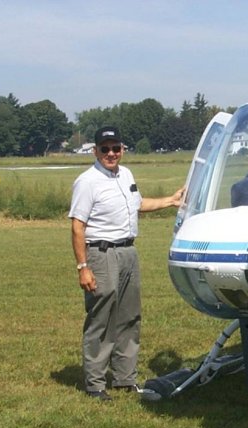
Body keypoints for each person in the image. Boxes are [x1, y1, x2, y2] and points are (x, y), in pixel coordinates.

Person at [68, 126, 185, 401]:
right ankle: (95, 384)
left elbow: (137, 204)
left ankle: (124, 378)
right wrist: (83, 267)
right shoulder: (87, 181)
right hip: (101, 253)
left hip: (128, 252)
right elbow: (77, 227)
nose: (111, 153)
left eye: (116, 148)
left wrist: (170, 200)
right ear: (95, 151)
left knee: (129, 316)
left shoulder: (126, 175)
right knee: (102, 317)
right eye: (105, 148)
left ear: (122, 149)